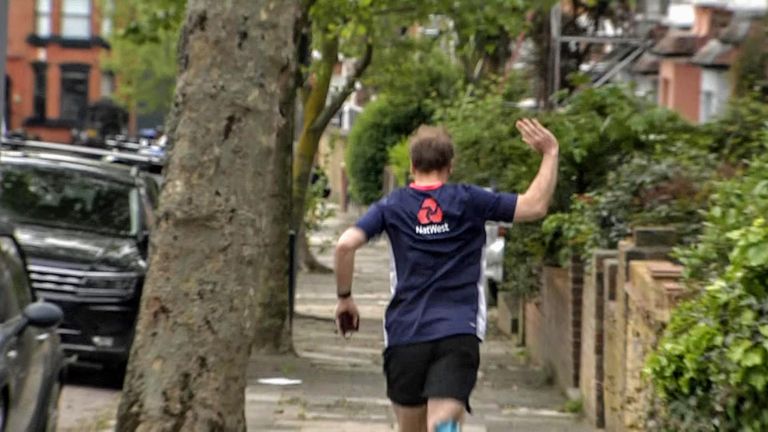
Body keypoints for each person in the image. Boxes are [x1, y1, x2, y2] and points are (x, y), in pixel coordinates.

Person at [333, 118, 559, 432]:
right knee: (443, 421)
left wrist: (345, 299)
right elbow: (535, 206)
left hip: (405, 334)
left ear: (412, 166)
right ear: (450, 166)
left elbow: (344, 245)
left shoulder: (391, 205)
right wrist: (550, 152)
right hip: (458, 330)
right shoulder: (471, 199)